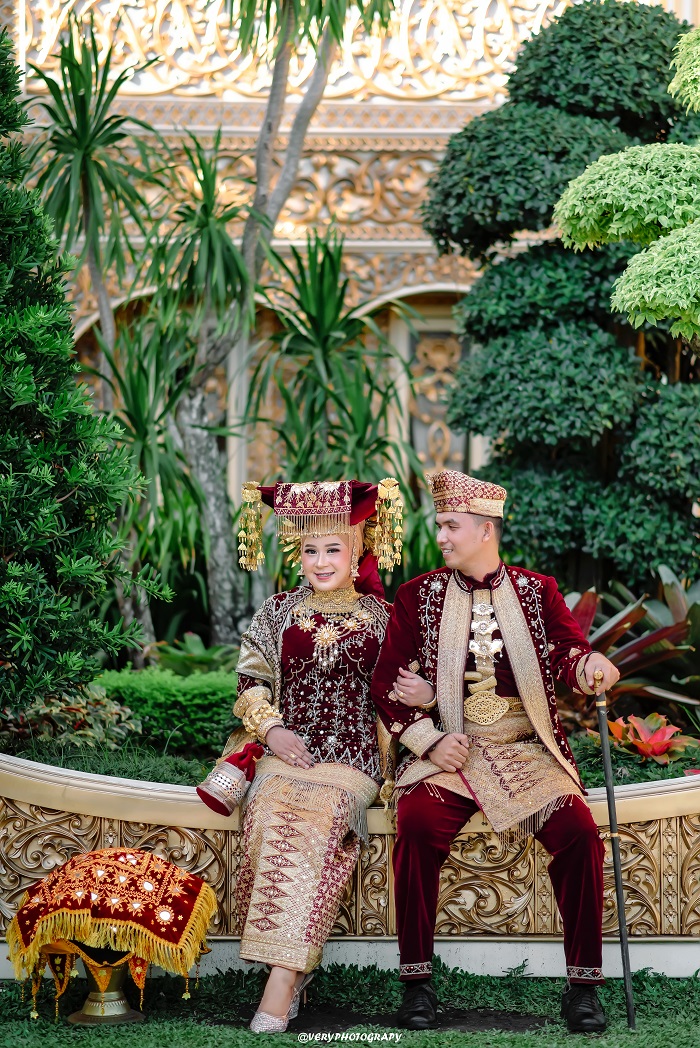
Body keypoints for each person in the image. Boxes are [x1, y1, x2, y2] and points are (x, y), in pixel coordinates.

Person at [371, 470, 620, 1035]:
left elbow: (568, 653)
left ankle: (583, 988)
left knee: (580, 834)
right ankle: (416, 984)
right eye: (439, 525)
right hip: (451, 751)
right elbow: (385, 682)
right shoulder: (417, 595)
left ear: (486, 530)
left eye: (451, 526)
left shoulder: (538, 590)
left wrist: (591, 666)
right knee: (416, 824)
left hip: (526, 749)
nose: (440, 536)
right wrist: (429, 739)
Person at [232, 477, 403, 1032]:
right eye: (310, 550)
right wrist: (272, 730)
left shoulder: (384, 617)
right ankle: (291, 970)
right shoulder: (277, 611)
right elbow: (250, 682)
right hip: (286, 754)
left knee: (319, 819)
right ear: (297, 553)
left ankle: (282, 979)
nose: (321, 562)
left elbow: (403, 692)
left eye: (333, 549)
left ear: (357, 550)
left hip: (353, 761)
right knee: (267, 813)